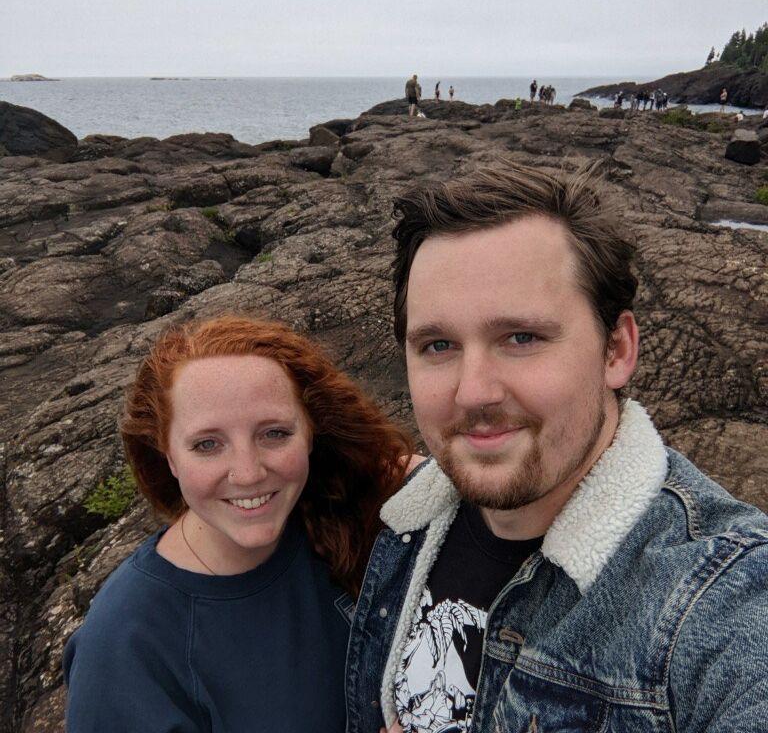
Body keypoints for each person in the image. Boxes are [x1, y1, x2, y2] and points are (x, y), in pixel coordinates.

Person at [346, 161, 768, 733]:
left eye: (521, 338)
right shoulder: (406, 521)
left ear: (616, 350)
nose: (473, 393)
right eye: (438, 345)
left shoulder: (720, 596)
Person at [64, 316, 411, 732]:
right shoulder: (124, 647)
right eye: (207, 444)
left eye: (274, 434)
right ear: (169, 456)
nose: (247, 473)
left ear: (311, 433)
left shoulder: (347, 513)